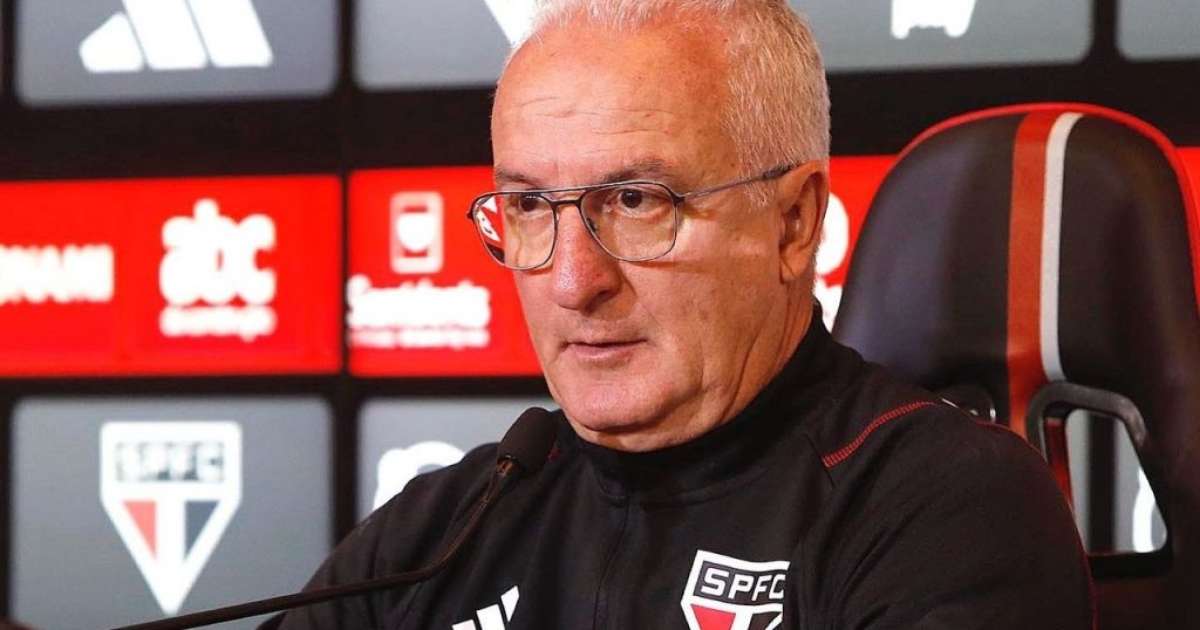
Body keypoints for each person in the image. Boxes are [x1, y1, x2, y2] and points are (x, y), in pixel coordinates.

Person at [280, 1, 1093, 627]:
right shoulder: (444, 532)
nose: (573, 281)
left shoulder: (943, 508)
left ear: (794, 223)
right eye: (528, 206)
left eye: (636, 201)